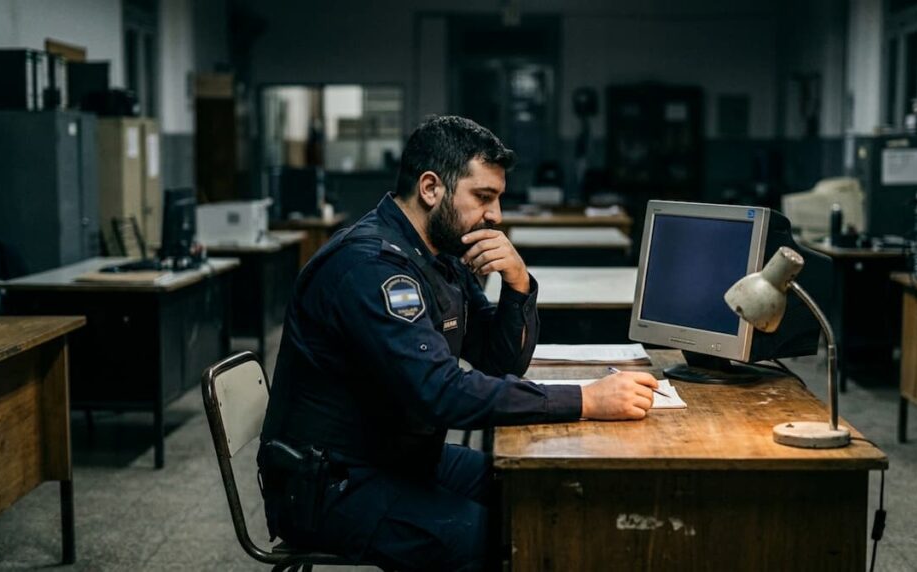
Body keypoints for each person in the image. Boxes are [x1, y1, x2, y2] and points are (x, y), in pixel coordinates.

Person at [258, 115, 658, 571]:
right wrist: (585, 400)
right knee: (499, 539)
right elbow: (440, 393)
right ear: (431, 188)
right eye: (483, 197)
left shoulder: (438, 254)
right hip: (332, 483)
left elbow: (498, 360)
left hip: (396, 457)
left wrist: (518, 283)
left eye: (498, 198)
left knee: (541, 494)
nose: (497, 216)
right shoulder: (370, 267)